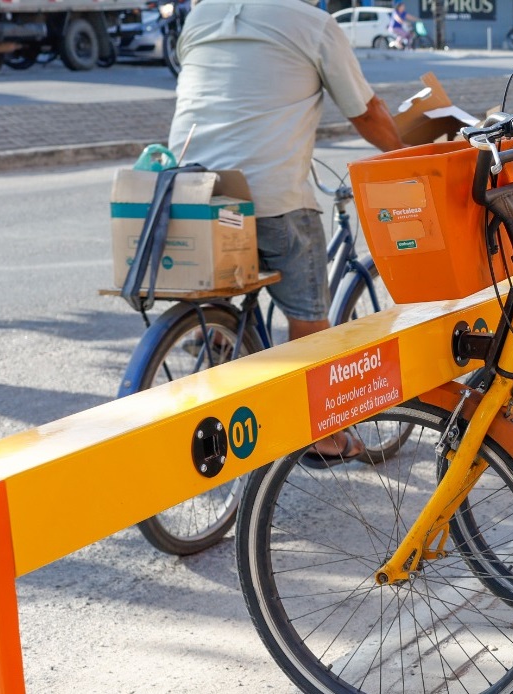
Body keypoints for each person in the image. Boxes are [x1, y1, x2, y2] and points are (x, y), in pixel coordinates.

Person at [169, 0, 405, 461]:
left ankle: (217, 331)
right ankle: (322, 437)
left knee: (229, 261)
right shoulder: (315, 25)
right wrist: (405, 154)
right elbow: (366, 113)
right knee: (310, 317)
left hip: (188, 193)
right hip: (272, 198)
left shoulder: (200, 16)